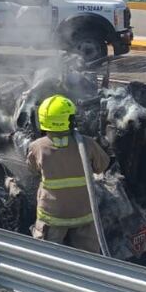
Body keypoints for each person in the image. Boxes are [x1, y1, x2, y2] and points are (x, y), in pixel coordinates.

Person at [26, 94, 110, 254]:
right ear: (69, 119)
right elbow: (102, 166)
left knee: (48, 261)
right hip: (83, 215)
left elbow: (32, 169)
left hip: (53, 218)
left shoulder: (37, 147)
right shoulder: (87, 143)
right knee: (88, 262)